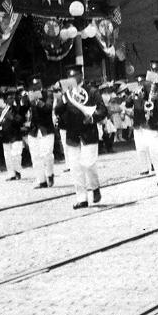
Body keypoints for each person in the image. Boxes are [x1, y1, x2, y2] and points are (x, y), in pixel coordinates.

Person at [55, 65, 107, 208]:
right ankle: (82, 198)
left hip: (88, 133)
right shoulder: (67, 94)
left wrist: (93, 117)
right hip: (72, 135)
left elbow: (102, 110)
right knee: (75, 168)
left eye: (75, 76)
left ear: (81, 76)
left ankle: (95, 187)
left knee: (88, 164)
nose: (72, 79)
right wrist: (64, 98)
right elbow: (57, 110)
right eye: (69, 77)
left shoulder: (92, 91)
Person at [23, 76, 56, 188]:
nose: (35, 86)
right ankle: (41, 181)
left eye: (37, 84)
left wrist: (37, 101)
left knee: (47, 154)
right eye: (33, 85)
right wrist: (24, 100)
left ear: (41, 84)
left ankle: (50, 174)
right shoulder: (30, 95)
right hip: (34, 130)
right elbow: (23, 109)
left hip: (46, 129)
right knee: (35, 156)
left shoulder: (48, 94)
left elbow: (48, 108)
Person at [0, 87, 25, 181]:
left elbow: (20, 121)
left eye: (12, 98)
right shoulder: (2, 111)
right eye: (9, 98)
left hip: (16, 135)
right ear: (5, 100)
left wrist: (11, 117)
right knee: (8, 156)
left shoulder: (17, 109)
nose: (11, 100)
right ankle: (11, 174)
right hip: (6, 135)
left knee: (16, 155)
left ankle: (17, 171)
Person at [127, 73, 154, 175]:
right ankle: (144, 168)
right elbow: (128, 104)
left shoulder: (149, 92)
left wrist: (144, 98)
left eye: (141, 82)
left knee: (150, 145)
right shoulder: (134, 93)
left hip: (147, 122)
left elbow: (150, 104)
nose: (140, 84)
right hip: (137, 122)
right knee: (140, 147)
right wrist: (130, 97)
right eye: (138, 82)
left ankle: (153, 163)